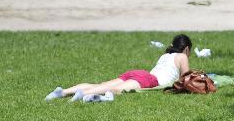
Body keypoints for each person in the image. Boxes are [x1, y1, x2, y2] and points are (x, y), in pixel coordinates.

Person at [45, 34, 192, 101]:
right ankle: (82, 93)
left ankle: (63, 92)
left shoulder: (165, 56)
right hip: (150, 80)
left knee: (102, 85)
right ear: (186, 49)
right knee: (116, 90)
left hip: (138, 73)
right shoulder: (182, 56)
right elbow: (187, 79)